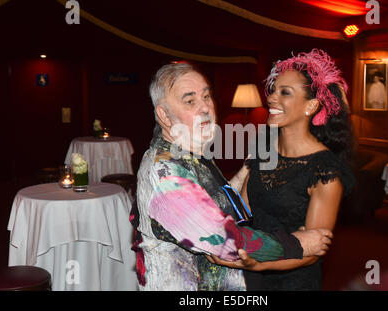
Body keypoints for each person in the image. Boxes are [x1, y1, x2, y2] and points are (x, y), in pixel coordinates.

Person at [130, 62, 334, 291]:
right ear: (164, 115)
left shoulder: (189, 152)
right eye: (190, 101)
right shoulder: (165, 172)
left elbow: (220, 202)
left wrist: (248, 167)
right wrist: (297, 244)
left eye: (206, 96)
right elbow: (222, 240)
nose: (205, 107)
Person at [208, 49, 355, 290]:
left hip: (291, 281)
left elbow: (313, 250)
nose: (272, 98)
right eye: (274, 89)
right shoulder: (263, 148)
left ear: (311, 106)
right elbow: (243, 210)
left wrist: (259, 264)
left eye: (285, 92)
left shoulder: (324, 170)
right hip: (250, 272)